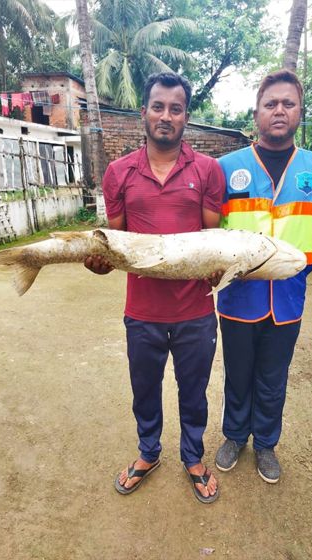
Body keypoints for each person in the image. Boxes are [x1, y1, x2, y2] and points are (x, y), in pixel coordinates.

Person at [84, 72, 226, 504]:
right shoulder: (118, 172)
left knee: (194, 391)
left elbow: (211, 245)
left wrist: (222, 267)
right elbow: (118, 246)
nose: (166, 116)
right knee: (144, 389)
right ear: (143, 112)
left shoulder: (207, 171)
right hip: (142, 311)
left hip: (195, 312)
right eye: (159, 107)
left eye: (176, 109)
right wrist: (99, 263)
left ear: (186, 117)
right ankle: (148, 452)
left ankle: (193, 457)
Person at [213, 70, 312, 483]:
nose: (279, 110)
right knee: (238, 372)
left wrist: (301, 266)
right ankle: (235, 436)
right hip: (238, 295)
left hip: (288, 296)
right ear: (257, 113)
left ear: (300, 111)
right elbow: (213, 228)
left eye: (288, 103)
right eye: (271, 104)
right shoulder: (227, 167)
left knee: (273, 376)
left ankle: (266, 443)